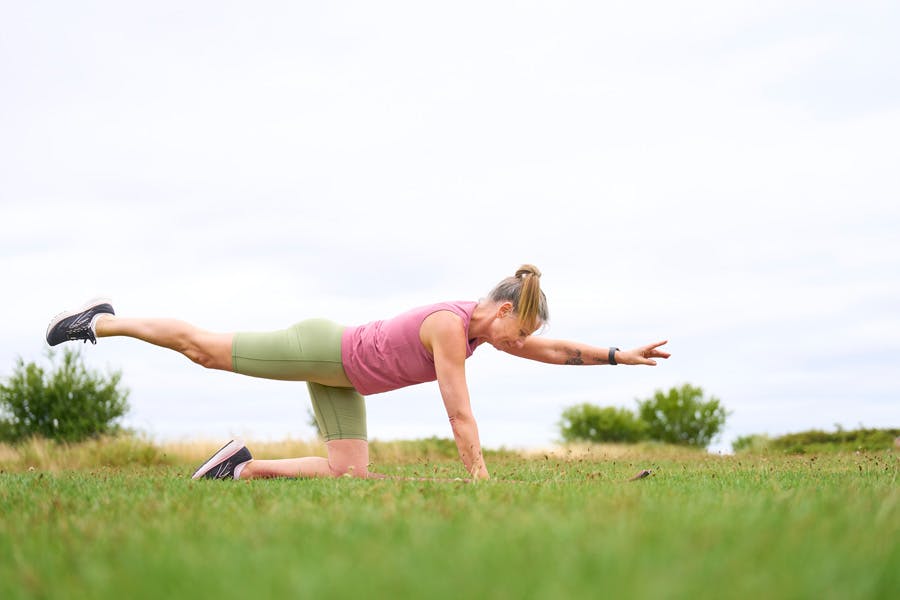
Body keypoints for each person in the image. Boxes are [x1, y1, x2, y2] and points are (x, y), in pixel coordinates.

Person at [45, 265, 669, 482]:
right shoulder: (451, 329)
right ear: (505, 309)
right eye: (521, 330)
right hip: (323, 350)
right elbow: (459, 413)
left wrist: (619, 356)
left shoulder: (480, 331)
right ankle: (101, 322)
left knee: (349, 471)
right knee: (204, 349)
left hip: (344, 377)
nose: (522, 343)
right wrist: (480, 477)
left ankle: (238, 467)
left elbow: (553, 352)